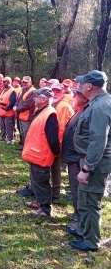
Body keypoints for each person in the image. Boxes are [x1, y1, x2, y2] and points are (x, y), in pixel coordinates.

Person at [67, 70, 111, 252]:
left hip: (95, 164)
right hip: (91, 161)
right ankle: (85, 232)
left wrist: (86, 168)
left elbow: (98, 141)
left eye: (82, 83)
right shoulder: (98, 103)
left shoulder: (100, 106)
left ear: (89, 85)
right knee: (85, 199)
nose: (80, 86)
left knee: (90, 202)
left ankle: (91, 242)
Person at [22, 87, 60, 217]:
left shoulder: (50, 114)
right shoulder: (42, 111)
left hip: (41, 154)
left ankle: (45, 209)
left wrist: (55, 153)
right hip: (35, 153)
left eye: (36, 97)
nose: (34, 99)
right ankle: (39, 201)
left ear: (43, 99)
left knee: (41, 182)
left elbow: (53, 139)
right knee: (36, 180)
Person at [62, 84, 89, 229]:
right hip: (73, 157)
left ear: (84, 97)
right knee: (74, 189)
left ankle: (80, 222)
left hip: (77, 159)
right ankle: (78, 214)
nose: (73, 97)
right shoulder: (81, 110)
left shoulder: (86, 112)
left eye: (76, 94)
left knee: (79, 191)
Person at [51, 81, 74, 203]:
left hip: (58, 145)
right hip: (53, 143)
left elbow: (61, 129)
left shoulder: (63, 106)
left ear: (63, 92)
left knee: (55, 169)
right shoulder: (55, 104)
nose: (55, 93)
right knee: (53, 169)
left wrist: (57, 147)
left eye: (58, 91)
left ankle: (55, 195)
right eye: (53, 91)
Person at [13, 76, 36, 151]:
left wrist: (17, 108)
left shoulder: (33, 91)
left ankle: (27, 148)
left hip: (27, 116)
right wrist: (16, 105)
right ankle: (23, 146)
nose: (24, 83)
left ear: (30, 82)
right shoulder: (23, 89)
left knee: (27, 133)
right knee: (22, 132)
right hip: (21, 115)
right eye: (23, 82)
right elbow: (19, 100)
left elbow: (27, 104)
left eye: (26, 82)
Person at [0, 77, 17, 144]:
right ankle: (3, 137)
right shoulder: (4, 90)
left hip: (8, 112)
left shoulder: (12, 91)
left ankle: (10, 139)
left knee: (9, 126)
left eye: (4, 82)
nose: (3, 83)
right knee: (2, 125)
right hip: (2, 112)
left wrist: (6, 109)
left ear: (8, 82)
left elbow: (12, 102)